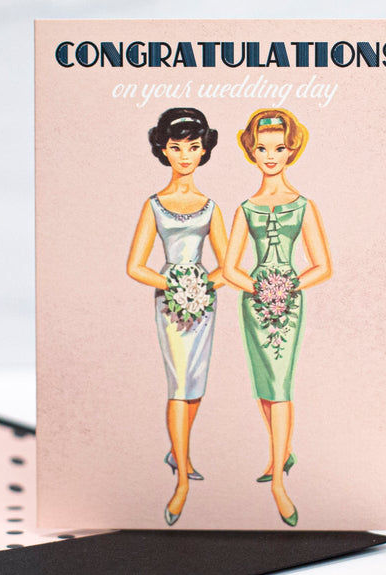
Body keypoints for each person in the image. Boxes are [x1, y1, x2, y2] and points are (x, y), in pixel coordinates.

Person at [223, 109, 332, 526]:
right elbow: (230, 268)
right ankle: (280, 453)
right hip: (254, 303)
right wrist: (257, 288)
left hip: (288, 302)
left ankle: (279, 484)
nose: (271, 156)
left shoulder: (303, 206)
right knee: (263, 384)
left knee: (281, 384)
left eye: (279, 148)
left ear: (291, 151)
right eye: (262, 148)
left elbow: (322, 266)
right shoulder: (245, 209)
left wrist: (287, 287)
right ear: (252, 152)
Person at [127, 108, 227, 526]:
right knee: (178, 383)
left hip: (203, 303)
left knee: (196, 384)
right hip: (170, 304)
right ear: (163, 151)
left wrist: (201, 286)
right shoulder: (154, 206)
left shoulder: (210, 207)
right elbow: (135, 266)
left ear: (204, 151)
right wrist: (174, 285)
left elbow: (227, 266)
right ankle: (182, 478)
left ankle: (177, 451)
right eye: (176, 147)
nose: (185, 155)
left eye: (193, 147)